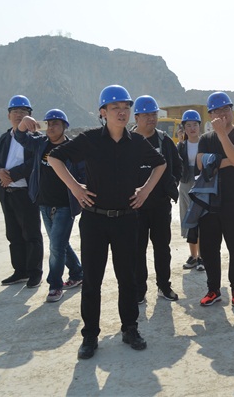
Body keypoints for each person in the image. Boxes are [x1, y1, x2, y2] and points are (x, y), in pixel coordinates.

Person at [47, 85, 166, 360]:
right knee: (92, 281)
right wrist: (75, 187)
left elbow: (160, 164)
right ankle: (90, 335)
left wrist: (145, 190)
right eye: (115, 108)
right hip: (94, 220)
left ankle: (130, 328)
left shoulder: (137, 142)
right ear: (103, 112)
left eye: (125, 108)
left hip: (126, 220)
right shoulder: (89, 140)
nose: (122, 112)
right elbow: (54, 157)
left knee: (128, 279)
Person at [14, 109, 84, 303]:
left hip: (65, 206)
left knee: (56, 246)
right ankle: (78, 273)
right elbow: (20, 136)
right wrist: (24, 122)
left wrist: (82, 193)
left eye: (55, 124)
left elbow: (83, 173)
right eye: (48, 123)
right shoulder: (40, 144)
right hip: (44, 204)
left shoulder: (72, 149)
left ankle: (55, 285)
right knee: (60, 244)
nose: (51, 127)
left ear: (64, 127)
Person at [197, 92, 234, 308]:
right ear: (210, 114)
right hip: (209, 203)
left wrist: (221, 136)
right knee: (209, 249)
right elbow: (201, 164)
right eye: (217, 110)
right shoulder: (205, 139)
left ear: (232, 110)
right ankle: (213, 290)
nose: (222, 114)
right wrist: (227, 160)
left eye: (225, 109)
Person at [0, 95, 44, 289]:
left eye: (23, 111)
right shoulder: (5, 138)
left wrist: (11, 175)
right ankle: (20, 271)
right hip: (7, 193)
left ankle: (35, 273)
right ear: (8, 116)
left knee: (32, 234)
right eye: (15, 111)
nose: (18, 115)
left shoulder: (35, 139)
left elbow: (34, 163)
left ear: (30, 116)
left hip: (26, 193)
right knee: (13, 235)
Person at [132, 95, 182, 304]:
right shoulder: (127, 141)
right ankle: (139, 290)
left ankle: (164, 286)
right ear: (136, 117)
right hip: (135, 207)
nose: (151, 118)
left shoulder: (164, 140)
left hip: (160, 206)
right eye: (146, 115)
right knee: (137, 250)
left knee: (162, 248)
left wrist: (170, 186)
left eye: (153, 114)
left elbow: (177, 166)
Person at [178, 109, 205, 272]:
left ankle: (202, 256)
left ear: (200, 126)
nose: (192, 128)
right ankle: (193, 256)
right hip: (185, 184)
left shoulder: (205, 142)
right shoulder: (181, 145)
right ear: (184, 128)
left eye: (195, 124)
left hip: (201, 185)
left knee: (201, 219)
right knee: (188, 219)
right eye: (188, 125)